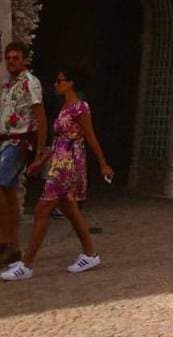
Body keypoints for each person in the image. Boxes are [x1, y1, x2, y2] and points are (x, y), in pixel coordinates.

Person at [3, 66, 113, 281]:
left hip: (68, 165)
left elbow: (90, 137)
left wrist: (103, 163)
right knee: (70, 210)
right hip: (58, 162)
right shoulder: (65, 108)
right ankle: (90, 253)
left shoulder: (80, 108)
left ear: (71, 83)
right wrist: (41, 160)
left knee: (42, 209)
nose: (56, 83)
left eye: (60, 80)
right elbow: (58, 141)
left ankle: (26, 264)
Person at [0, 41, 47, 266]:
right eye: (8, 58)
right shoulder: (9, 84)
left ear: (25, 59)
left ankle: (5, 240)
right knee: (8, 195)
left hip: (19, 143)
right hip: (6, 141)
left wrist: (39, 151)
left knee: (1, 186)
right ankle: (13, 246)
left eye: (15, 58)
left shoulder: (30, 83)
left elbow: (40, 116)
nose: (11, 62)